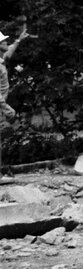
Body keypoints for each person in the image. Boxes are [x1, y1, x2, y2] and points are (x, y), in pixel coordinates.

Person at [0, 25, 31, 175]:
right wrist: (6, 108)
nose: (6, 42)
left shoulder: (1, 59)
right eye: (3, 41)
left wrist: (18, 40)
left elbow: (9, 52)